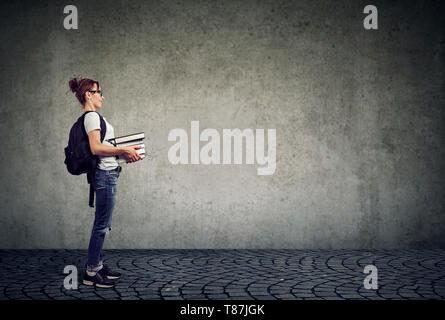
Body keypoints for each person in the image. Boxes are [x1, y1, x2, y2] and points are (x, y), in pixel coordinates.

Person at [68, 77, 142, 288]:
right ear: (88, 95)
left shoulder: (93, 117)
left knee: (103, 224)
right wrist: (123, 150)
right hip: (105, 176)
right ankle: (92, 271)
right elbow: (96, 149)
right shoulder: (91, 116)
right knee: (101, 225)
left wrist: (124, 154)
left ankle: (97, 266)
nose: (102, 95)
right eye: (99, 91)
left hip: (107, 173)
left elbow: (103, 149)